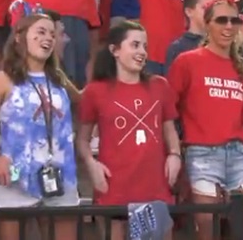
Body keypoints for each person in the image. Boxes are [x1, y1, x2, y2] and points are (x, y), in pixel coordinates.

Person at [0, 9, 78, 240]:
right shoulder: (2, 79)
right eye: (41, 32)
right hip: (15, 178)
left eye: (52, 34)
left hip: (60, 176)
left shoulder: (59, 78)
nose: (48, 38)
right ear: (19, 36)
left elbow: (86, 101)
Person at [77, 21, 181, 240]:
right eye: (135, 45)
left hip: (152, 188)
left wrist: (175, 154)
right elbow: (83, 139)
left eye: (144, 46)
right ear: (114, 50)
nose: (142, 52)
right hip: (113, 187)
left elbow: (169, 129)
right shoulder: (96, 91)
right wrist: (91, 164)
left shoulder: (159, 86)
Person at [168, 0, 243, 240]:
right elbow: (168, 109)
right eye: (221, 20)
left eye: (234, 20)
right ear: (208, 24)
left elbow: (240, 123)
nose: (228, 26)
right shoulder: (187, 61)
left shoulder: (241, 70)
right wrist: (174, 151)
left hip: (238, 154)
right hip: (202, 153)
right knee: (207, 227)